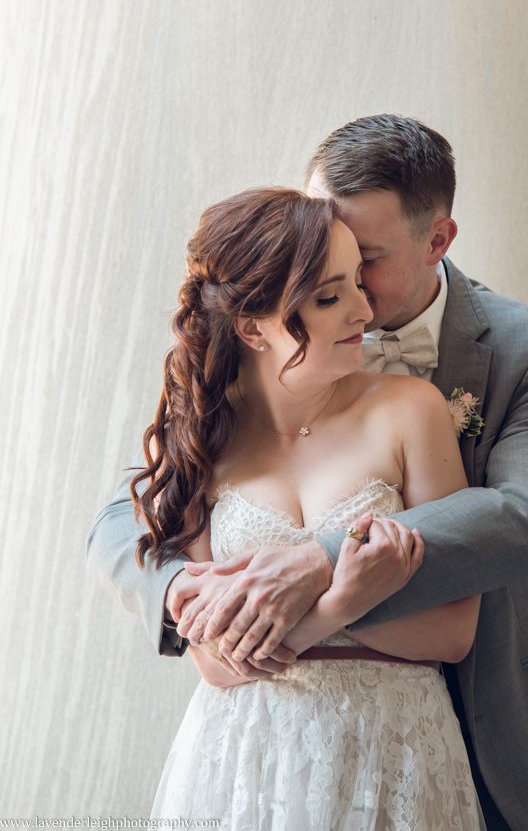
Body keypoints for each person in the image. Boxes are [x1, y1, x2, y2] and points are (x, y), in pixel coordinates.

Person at [87, 115, 528, 831]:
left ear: (437, 241)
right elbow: (129, 512)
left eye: (362, 258)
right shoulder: (241, 382)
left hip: (475, 711)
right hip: (258, 748)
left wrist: (319, 561)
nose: (340, 283)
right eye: (318, 249)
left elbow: (523, 518)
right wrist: (184, 589)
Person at [129, 186, 485, 829]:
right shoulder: (203, 435)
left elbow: (454, 633)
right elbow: (213, 661)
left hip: (392, 744)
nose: (363, 310)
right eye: (328, 297)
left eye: (357, 283)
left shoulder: (411, 410)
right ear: (251, 327)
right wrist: (343, 603)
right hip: (244, 752)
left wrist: (301, 611)